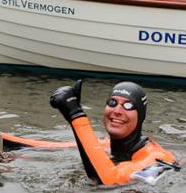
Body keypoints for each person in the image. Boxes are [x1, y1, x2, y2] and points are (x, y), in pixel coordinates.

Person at [49, 79, 178, 185]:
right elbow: (45, 147)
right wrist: (67, 110)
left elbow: (109, 181)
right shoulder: (105, 145)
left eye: (128, 106)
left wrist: (76, 115)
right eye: (112, 102)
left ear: (141, 116)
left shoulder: (157, 156)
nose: (117, 110)